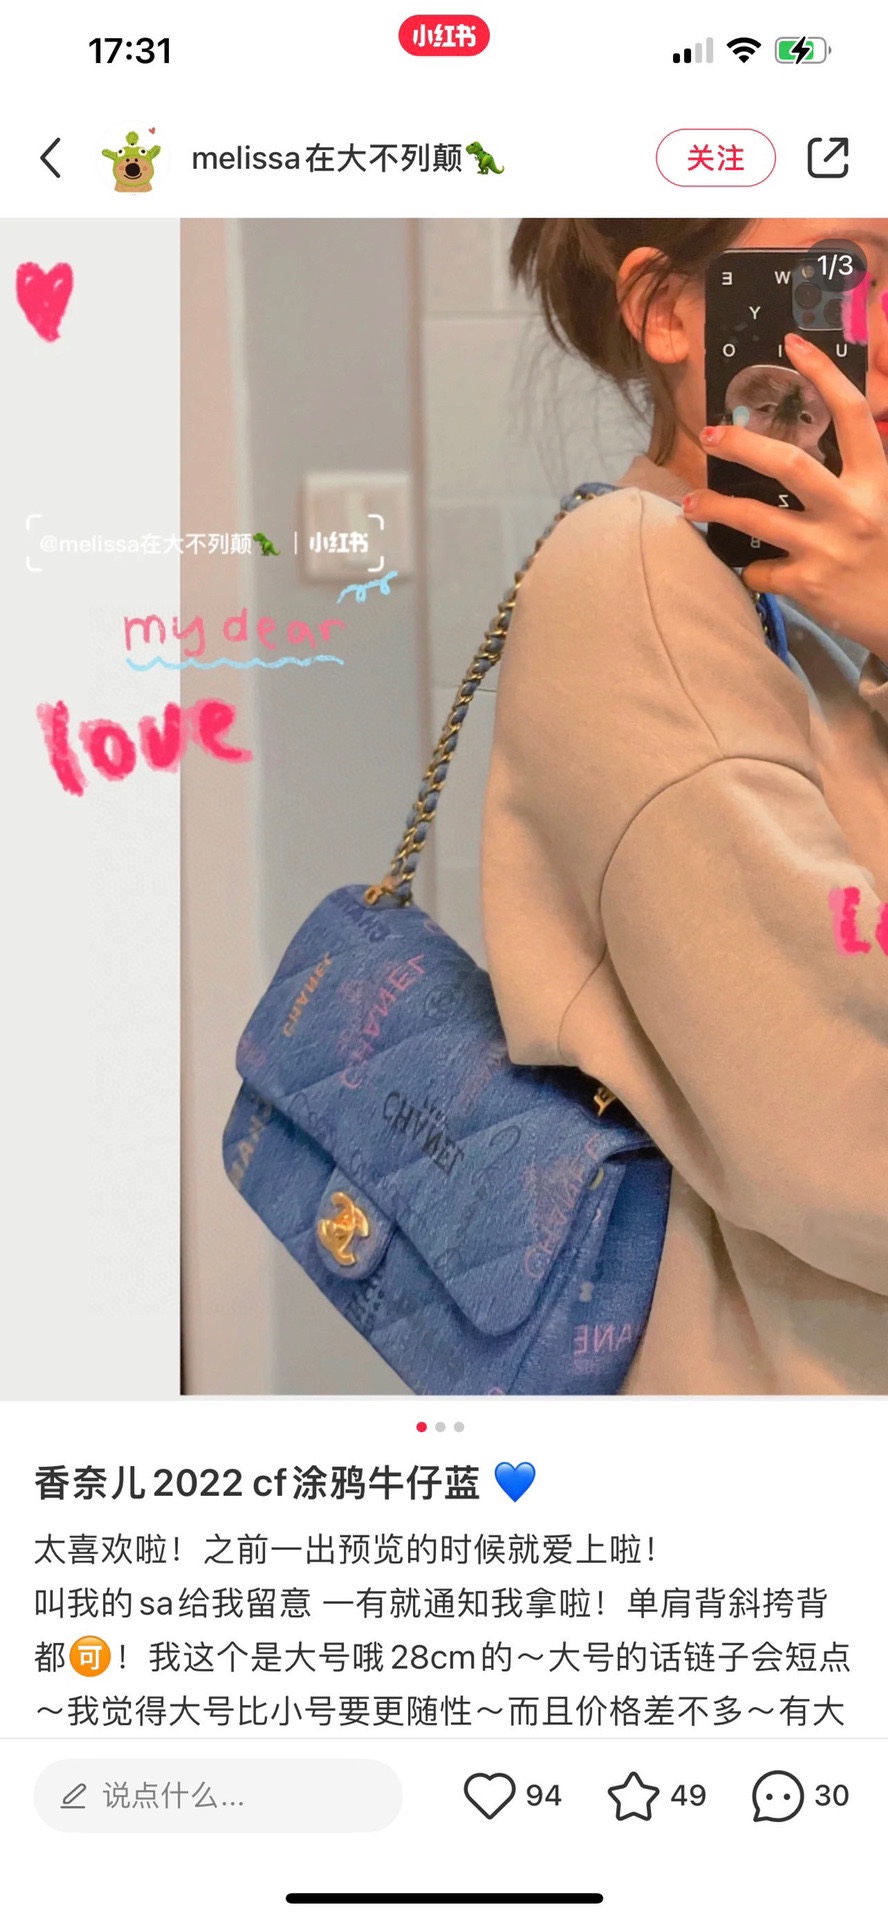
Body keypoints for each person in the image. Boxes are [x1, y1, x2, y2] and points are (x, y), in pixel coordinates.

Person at [481, 219, 888, 1394]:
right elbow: (844, 1142)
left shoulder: (809, 611)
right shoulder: (647, 577)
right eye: (850, 270)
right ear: (667, 312)